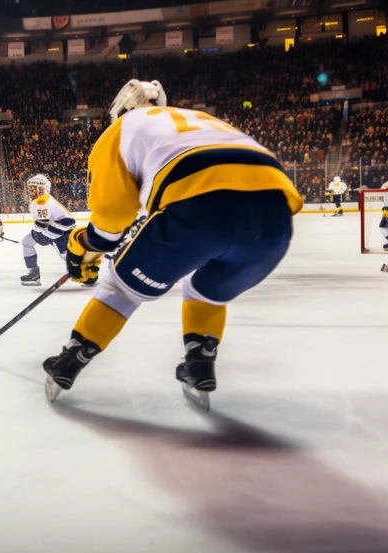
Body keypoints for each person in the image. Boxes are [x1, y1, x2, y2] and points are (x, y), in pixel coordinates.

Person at [42, 79, 303, 407]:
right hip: (275, 219)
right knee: (207, 292)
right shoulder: (202, 118)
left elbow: (112, 218)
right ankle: (200, 363)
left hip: (199, 208)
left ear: (120, 110)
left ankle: (70, 360)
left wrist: (84, 245)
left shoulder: (122, 127)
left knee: (120, 287)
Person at [18, 174, 77, 286]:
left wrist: (36, 233)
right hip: (52, 229)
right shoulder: (39, 199)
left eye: (34, 188)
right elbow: (42, 225)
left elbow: (41, 224)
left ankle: (87, 274)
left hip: (62, 232)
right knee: (27, 242)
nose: (31, 190)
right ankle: (34, 274)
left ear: (43, 189)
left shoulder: (42, 201)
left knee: (67, 257)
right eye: (30, 187)